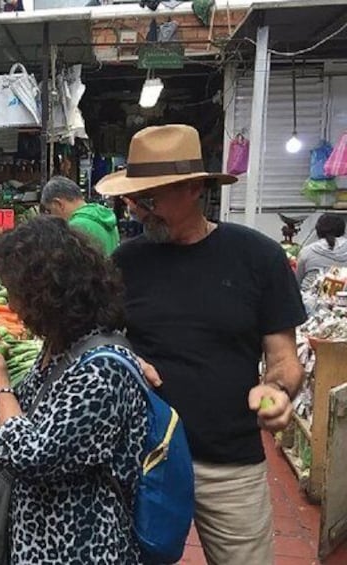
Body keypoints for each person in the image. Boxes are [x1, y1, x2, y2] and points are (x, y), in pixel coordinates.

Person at [96, 124, 306, 565]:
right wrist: (126, 356)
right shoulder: (124, 263)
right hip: (143, 458)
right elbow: (100, 340)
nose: (138, 211)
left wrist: (278, 391)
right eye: (134, 200)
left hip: (228, 463)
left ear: (194, 189)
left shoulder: (258, 258)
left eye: (150, 199)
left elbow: (284, 359)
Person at [0, 216, 149, 564]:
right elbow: (14, 410)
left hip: (78, 546)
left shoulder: (101, 369)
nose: (13, 305)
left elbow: (27, 455)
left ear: (47, 295)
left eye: (16, 293)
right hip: (40, 539)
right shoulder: (64, 346)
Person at [41, 176, 120, 255]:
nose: (51, 216)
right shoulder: (105, 217)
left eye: (50, 210)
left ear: (58, 204)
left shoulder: (75, 227)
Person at [295, 213, 347, 286]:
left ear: (318, 230)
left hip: (309, 295)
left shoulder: (307, 251)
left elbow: (297, 281)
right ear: (343, 230)